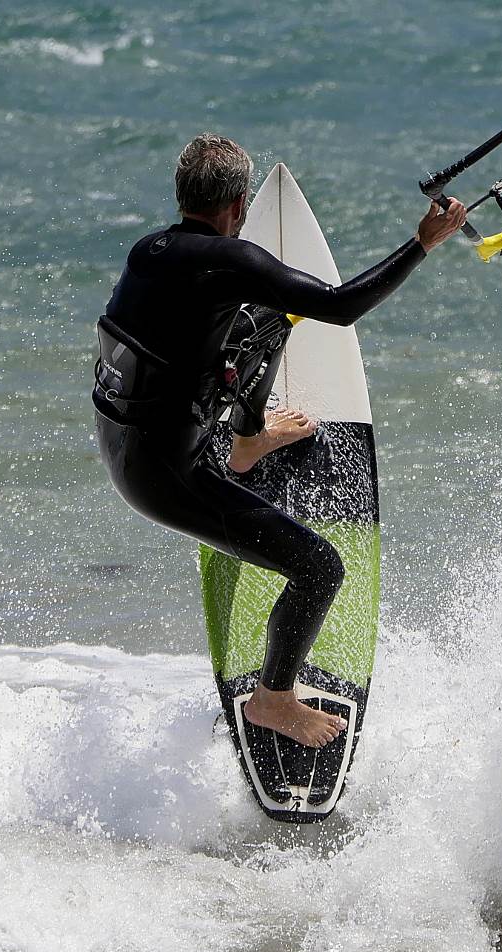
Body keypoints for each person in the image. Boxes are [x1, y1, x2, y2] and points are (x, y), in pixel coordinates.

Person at [95, 133, 466, 749]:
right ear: (237, 207)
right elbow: (341, 307)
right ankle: (275, 699)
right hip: (165, 473)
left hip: (125, 440)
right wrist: (423, 243)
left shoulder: (149, 251)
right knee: (320, 567)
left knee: (266, 319)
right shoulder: (233, 263)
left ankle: (246, 443)